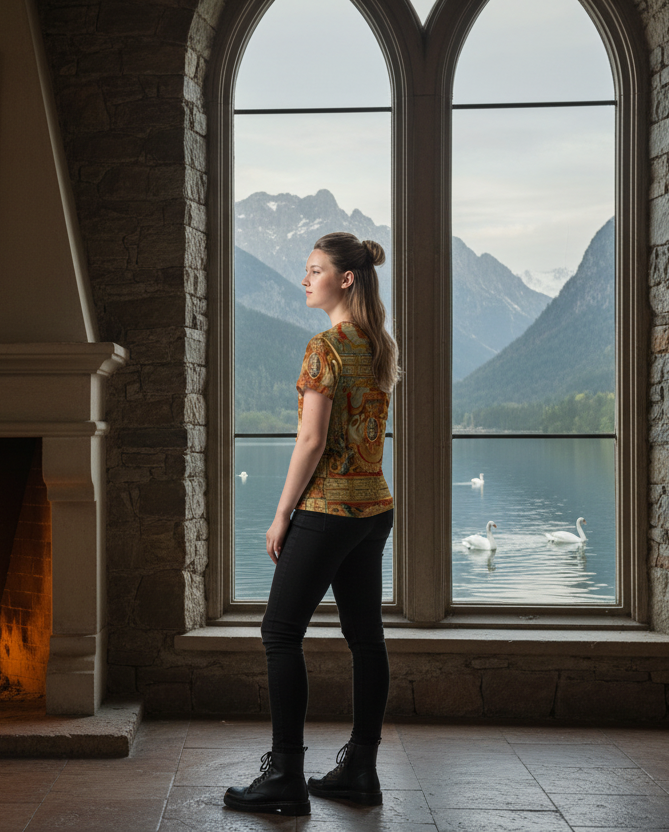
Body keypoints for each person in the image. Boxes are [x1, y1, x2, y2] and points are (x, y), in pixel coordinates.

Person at [223, 232, 399, 816]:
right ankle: (361, 771)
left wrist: (280, 516)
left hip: (326, 511)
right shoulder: (379, 344)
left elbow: (312, 439)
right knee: (365, 638)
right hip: (374, 508)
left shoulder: (324, 347)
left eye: (315, 269)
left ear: (344, 279)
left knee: (279, 633)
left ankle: (285, 776)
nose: (305, 279)